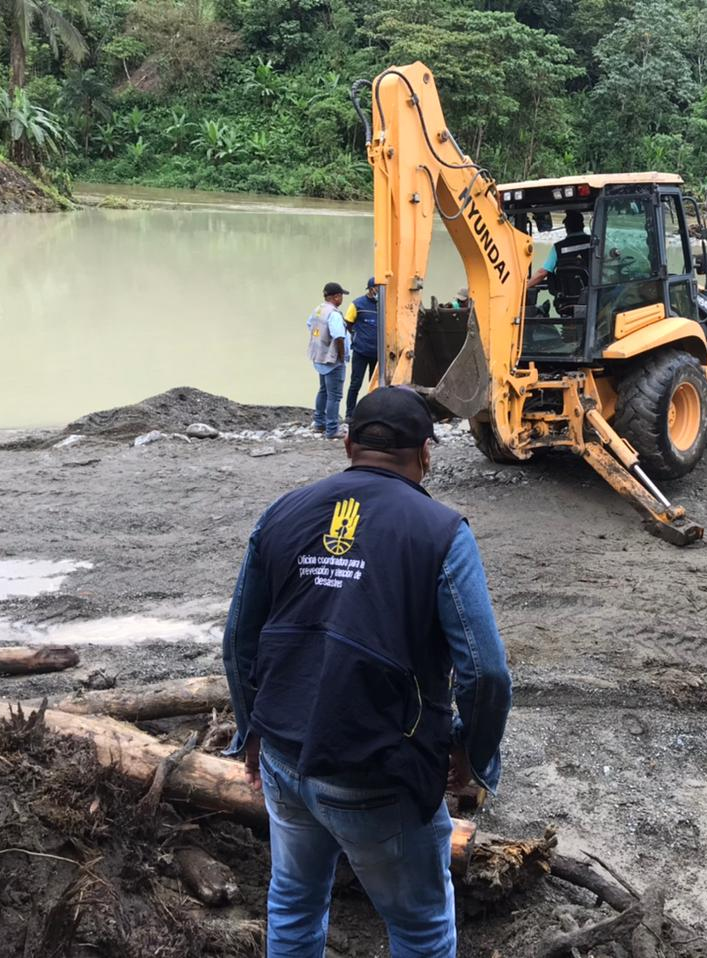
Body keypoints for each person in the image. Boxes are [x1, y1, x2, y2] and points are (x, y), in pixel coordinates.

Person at [222, 385, 512, 958]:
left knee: (293, 903)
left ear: (349, 443)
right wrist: (470, 753)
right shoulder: (441, 533)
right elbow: (486, 673)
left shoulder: (282, 512)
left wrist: (250, 729)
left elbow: (238, 641)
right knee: (421, 928)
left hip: (283, 755)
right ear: (426, 453)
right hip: (375, 771)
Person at [308, 282, 350, 439]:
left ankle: (319, 423)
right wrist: (340, 356)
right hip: (332, 360)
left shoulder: (318, 310)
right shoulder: (334, 314)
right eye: (341, 296)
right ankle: (332, 429)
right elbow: (339, 336)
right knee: (335, 396)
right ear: (336, 297)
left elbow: (309, 325)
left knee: (323, 390)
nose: (342, 299)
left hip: (319, 357)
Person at [527, 210, 591, 293]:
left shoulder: (558, 248)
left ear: (567, 228)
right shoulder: (594, 242)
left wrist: (525, 286)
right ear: (582, 225)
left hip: (565, 296)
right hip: (592, 293)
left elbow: (543, 273)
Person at [344, 278, 380, 419]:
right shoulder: (357, 304)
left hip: (378, 353)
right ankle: (350, 414)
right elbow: (348, 323)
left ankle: (373, 414)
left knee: (375, 386)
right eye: (378, 288)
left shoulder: (385, 305)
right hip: (361, 351)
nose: (380, 291)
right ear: (371, 289)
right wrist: (356, 336)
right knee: (355, 384)